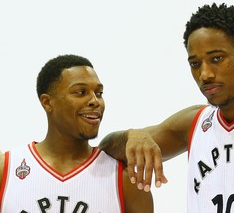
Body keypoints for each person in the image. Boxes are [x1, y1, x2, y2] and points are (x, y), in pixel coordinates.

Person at [99, 3, 234, 212]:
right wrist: (130, 136)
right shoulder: (195, 123)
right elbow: (104, 151)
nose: (205, 74)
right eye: (195, 64)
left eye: (216, 59)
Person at [0, 54, 153, 213]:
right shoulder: (6, 169)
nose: (95, 101)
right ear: (47, 102)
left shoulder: (126, 180)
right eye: (80, 92)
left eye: (99, 93)